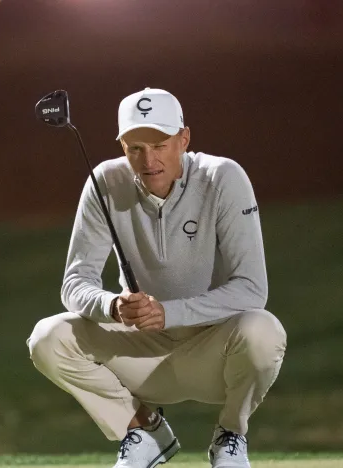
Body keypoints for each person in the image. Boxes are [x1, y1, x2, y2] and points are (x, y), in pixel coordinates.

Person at [27, 88, 287, 468]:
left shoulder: (223, 178)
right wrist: (113, 306)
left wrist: (168, 312)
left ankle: (230, 435)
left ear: (184, 139)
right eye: (135, 148)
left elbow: (252, 289)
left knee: (264, 331)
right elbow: (75, 283)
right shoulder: (104, 182)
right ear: (121, 146)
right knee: (47, 338)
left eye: (160, 144)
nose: (148, 160)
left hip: (213, 352)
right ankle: (143, 430)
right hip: (139, 352)